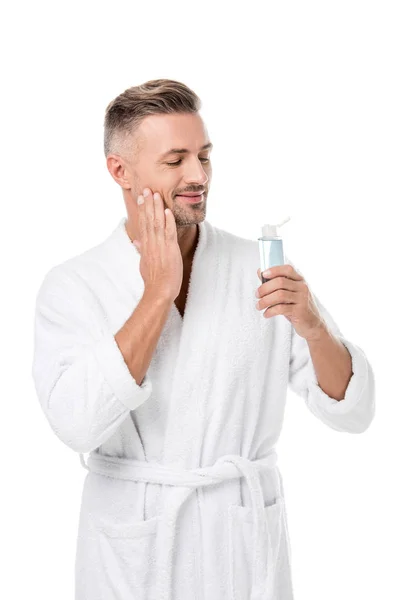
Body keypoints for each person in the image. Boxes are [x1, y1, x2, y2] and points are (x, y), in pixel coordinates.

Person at [31, 79, 375, 600]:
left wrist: (312, 325)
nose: (198, 176)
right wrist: (157, 295)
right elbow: (76, 424)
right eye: (175, 160)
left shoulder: (256, 267)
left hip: (239, 541)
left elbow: (354, 412)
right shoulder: (75, 285)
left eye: (204, 156)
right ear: (119, 171)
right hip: (134, 549)